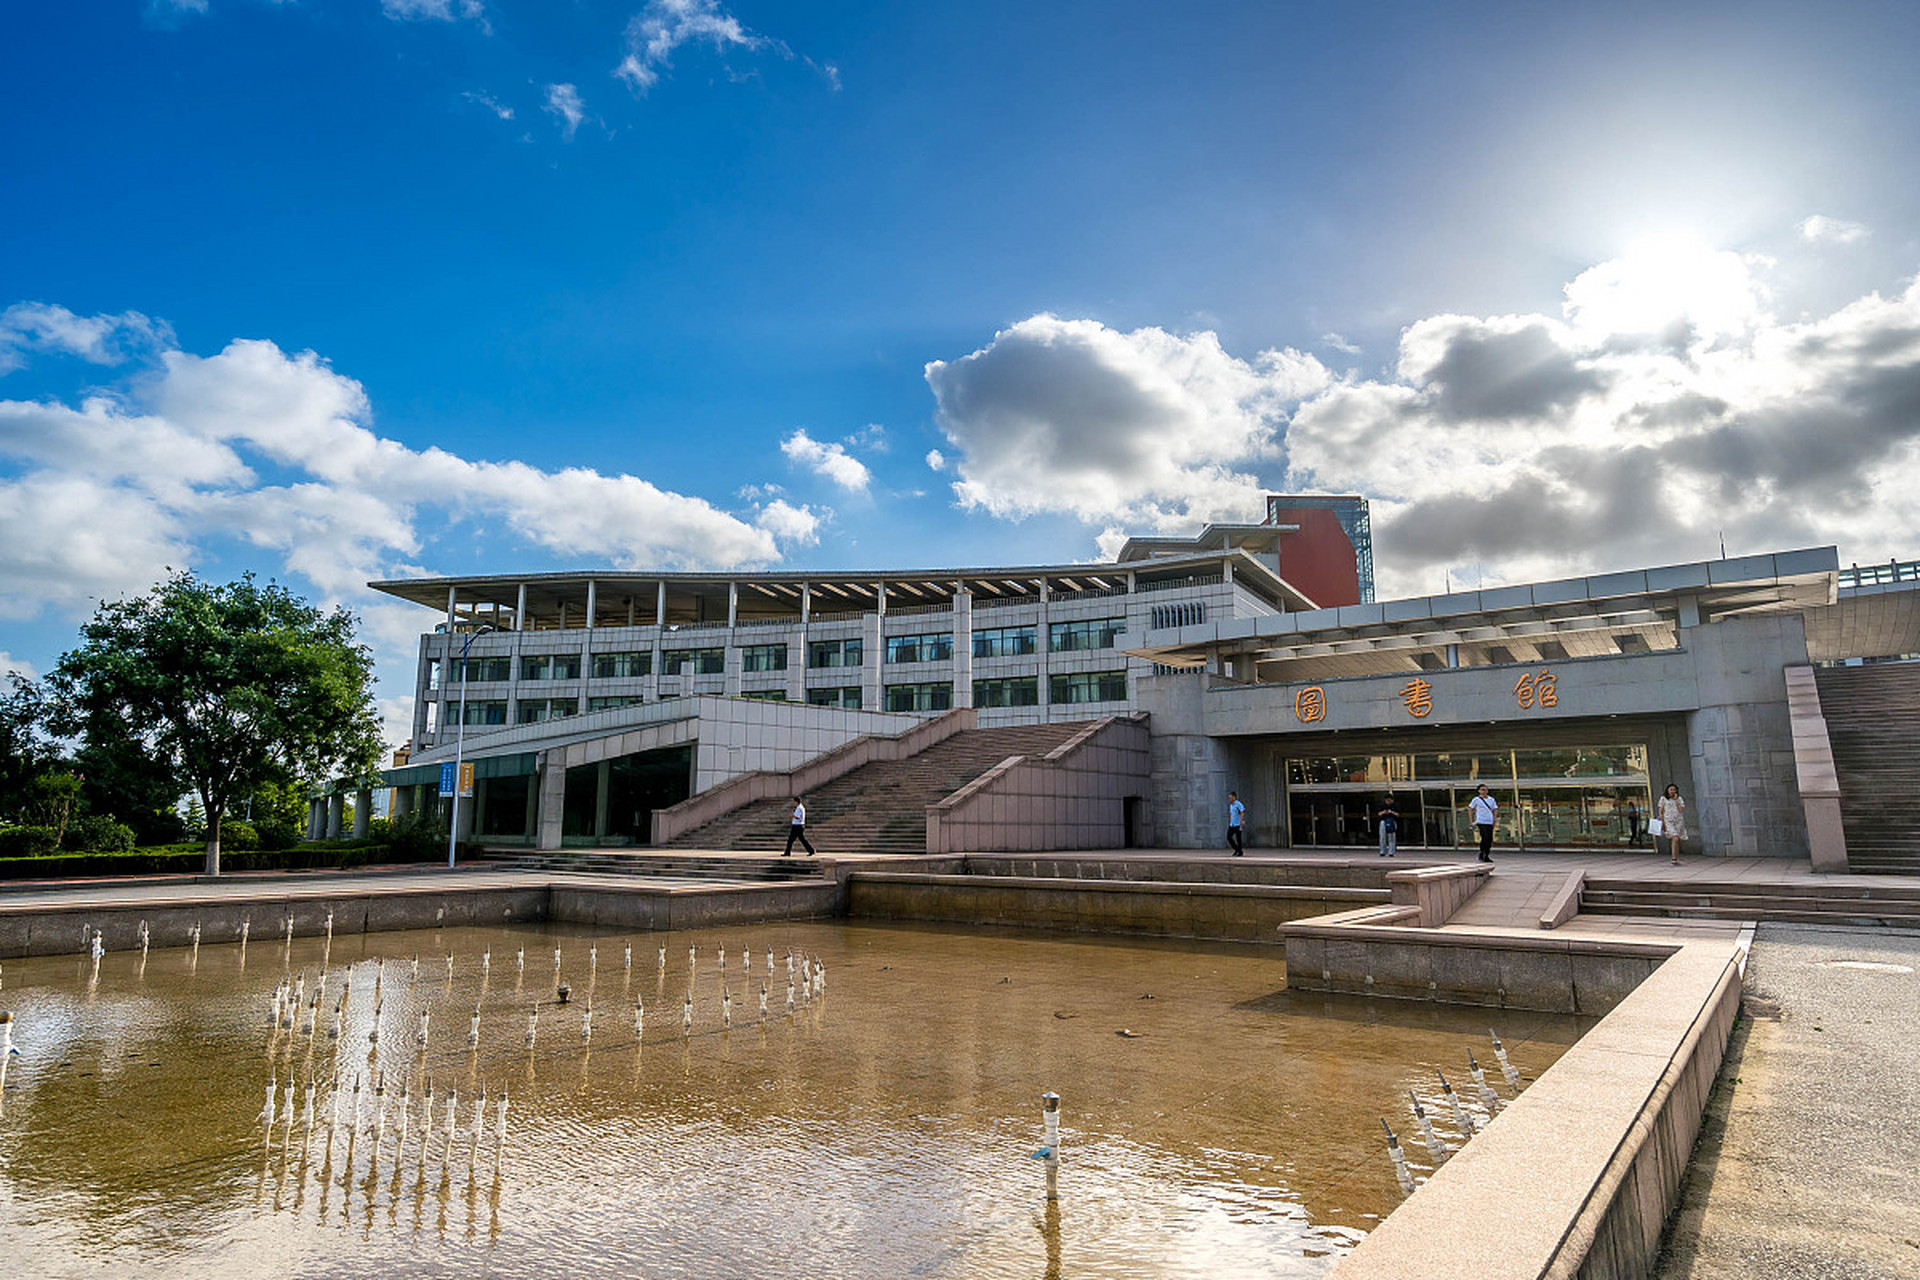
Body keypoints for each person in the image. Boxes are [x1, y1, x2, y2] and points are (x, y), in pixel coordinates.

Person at [1656, 783, 1686, 866]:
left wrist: (1676, 801)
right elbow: (1661, 811)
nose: (1673, 791)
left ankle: (1675, 858)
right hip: (1668, 820)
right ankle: (1674, 858)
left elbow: (1681, 810)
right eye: (1671, 789)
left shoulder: (1679, 799)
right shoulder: (1663, 799)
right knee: (1675, 838)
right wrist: (1663, 823)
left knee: (1676, 839)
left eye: (1674, 790)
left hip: (1678, 821)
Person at [1466, 784, 1498, 862]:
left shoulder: (1491, 799)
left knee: (1489, 839)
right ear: (1479, 791)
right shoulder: (1476, 799)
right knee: (1485, 837)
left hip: (1489, 821)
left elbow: (1495, 809)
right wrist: (1471, 821)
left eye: (1485, 790)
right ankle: (1482, 853)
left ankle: (1486, 854)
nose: (1484, 791)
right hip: (1481, 821)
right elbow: (1470, 808)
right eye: (1482, 789)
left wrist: (1494, 819)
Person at [1376, 793, 1399, 858]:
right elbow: (1379, 813)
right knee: (1382, 837)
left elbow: (1398, 814)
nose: (1387, 802)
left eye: (1389, 800)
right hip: (1383, 821)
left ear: (1392, 800)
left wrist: (1391, 812)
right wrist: (1384, 812)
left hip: (1392, 821)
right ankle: (1382, 851)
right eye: (1386, 800)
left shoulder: (1395, 805)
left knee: (1391, 837)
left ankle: (1391, 852)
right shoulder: (1382, 805)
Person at [1226, 791, 1246, 856]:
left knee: (1238, 839)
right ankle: (1237, 849)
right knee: (1229, 837)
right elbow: (1231, 814)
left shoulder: (1238, 804)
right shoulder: (1231, 805)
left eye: (1231, 797)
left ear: (1234, 797)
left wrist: (1241, 821)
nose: (1230, 799)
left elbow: (1242, 812)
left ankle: (1240, 851)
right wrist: (1230, 821)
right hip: (1232, 824)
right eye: (1229, 798)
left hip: (1237, 824)